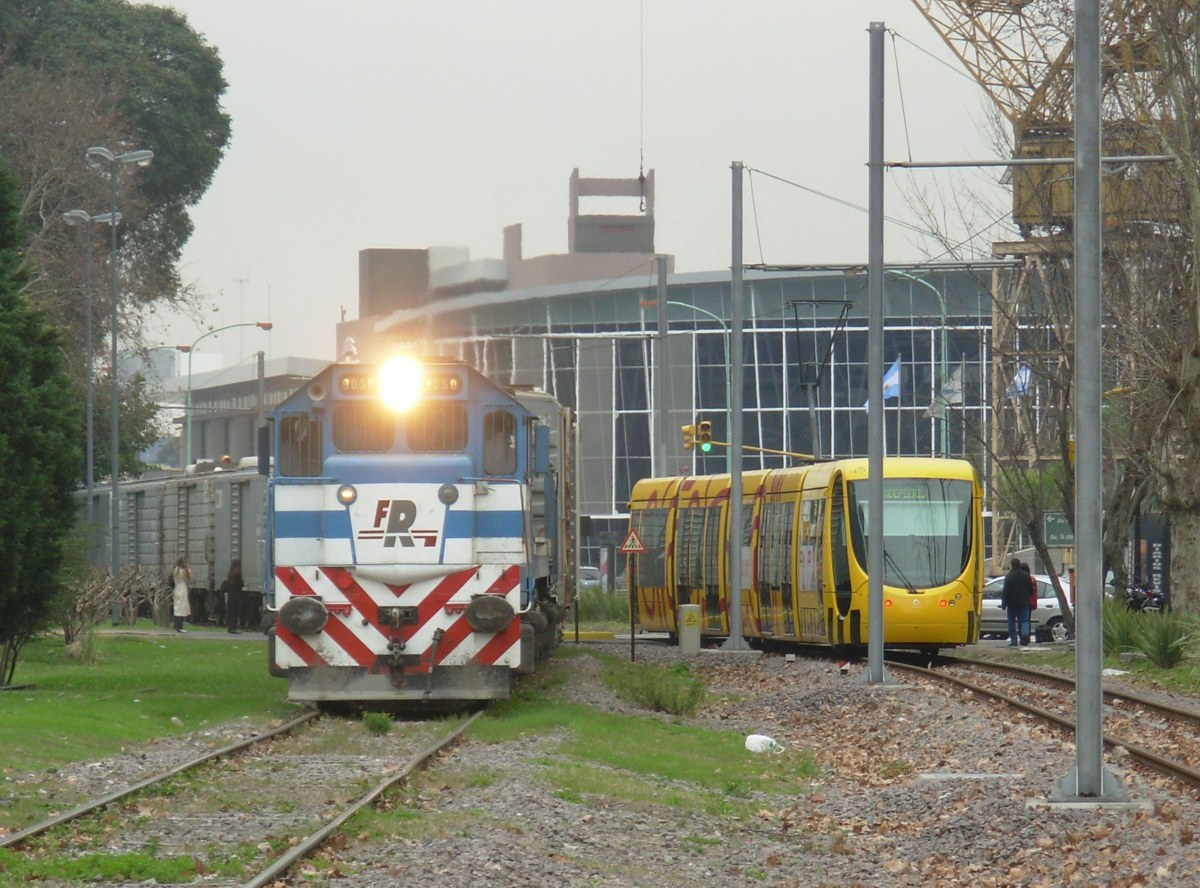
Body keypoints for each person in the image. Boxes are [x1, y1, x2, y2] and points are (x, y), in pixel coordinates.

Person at [1000, 557, 1031, 647]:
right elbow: (1030, 589)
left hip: (1012, 603)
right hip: (1024, 602)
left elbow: (1005, 591)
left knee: (1011, 621)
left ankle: (1014, 641)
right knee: (1024, 620)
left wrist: (1004, 603)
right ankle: (1025, 635)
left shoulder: (1009, 576)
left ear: (1012, 565)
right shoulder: (1026, 575)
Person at [221, 559, 244, 634]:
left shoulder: (230, 574)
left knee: (231, 613)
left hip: (231, 596)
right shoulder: (237, 574)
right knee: (235, 613)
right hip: (236, 595)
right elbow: (241, 584)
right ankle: (233, 628)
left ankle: (230, 628)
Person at [172, 556, 192, 633]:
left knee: (177, 607)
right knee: (182, 608)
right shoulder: (184, 571)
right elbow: (189, 577)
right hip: (182, 589)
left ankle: (176, 626)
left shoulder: (175, 570)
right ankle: (179, 626)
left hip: (176, 588)